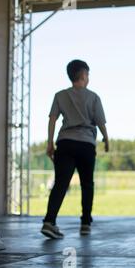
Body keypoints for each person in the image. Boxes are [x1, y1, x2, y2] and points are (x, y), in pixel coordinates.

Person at [41, 60, 109, 239]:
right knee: (87, 184)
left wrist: (50, 143)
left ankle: (49, 221)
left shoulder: (60, 95)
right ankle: (85, 223)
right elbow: (100, 121)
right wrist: (106, 139)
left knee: (61, 183)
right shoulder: (93, 97)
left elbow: (52, 119)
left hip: (65, 143)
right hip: (86, 144)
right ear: (84, 75)